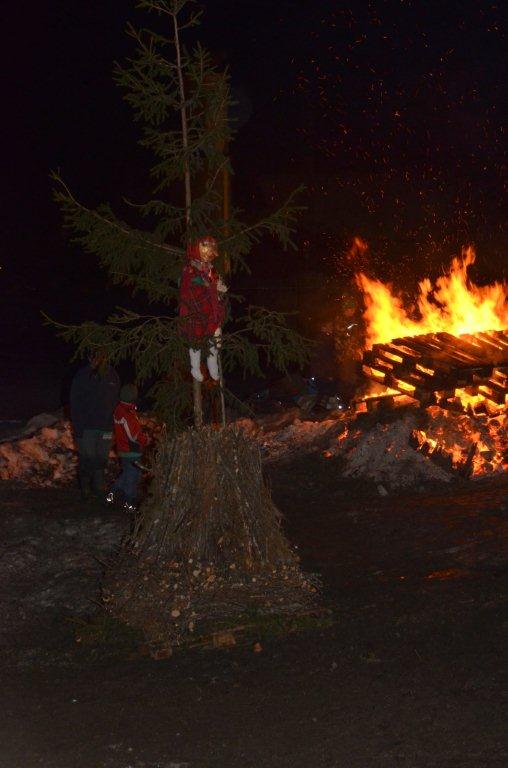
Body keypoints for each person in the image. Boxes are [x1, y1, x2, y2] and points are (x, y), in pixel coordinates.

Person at [70, 351, 120, 499]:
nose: (98, 359)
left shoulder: (112, 375)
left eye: (102, 356)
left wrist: (114, 423)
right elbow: (74, 402)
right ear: (89, 358)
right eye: (95, 356)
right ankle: (85, 488)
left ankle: (98, 488)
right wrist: (78, 427)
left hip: (106, 427)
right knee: (87, 458)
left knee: (101, 458)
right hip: (87, 427)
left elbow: (116, 401)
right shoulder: (82, 376)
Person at [179, 235, 227, 382]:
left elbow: (214, 282)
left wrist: (218, 287)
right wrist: (208, 286)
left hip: (210, 308)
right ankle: (195, 366)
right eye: (207, 252)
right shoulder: (190, 268)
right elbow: (188, 286)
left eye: (211, 254)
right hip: (196, 308)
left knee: (215, 335)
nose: (208, 256)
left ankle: (212, 363)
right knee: (196, 338)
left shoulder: (210, 269)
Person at [107, 384, 148, 512]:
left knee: (127, 474)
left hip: (124, 449)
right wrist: (145, 439)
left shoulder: (120, 409)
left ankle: (112, 493)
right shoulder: (126, 413)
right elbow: (133, 435)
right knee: (132, 478)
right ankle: (129, 503)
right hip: (131, 450)